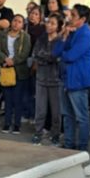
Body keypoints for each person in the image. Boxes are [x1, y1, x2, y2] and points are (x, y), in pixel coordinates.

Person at [52, 4, 90, 150]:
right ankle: (69, 143)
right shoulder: (73, 32)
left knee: (82, 116)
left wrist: (62, 57)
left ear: (83, 19)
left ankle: (82, 146)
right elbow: (56, 52)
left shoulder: (85, 34)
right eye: (70, 14)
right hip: (68, 79)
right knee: (67, 115)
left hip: (78, 80)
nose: (70, 18)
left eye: (73, 15)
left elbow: (71, 56)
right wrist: (64, 37)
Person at [0, 14, 32, 134]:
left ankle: (17, 125)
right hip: (5, 69)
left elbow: (25, 53)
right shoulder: (2, 35)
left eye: (19, 22)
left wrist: (13, 61)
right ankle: (7, 123)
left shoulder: (25, 37)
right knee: (7, 99)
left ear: (22, 24)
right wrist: (5, 59)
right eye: (15, 20)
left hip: (19, 71)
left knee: (17, 99)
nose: (16, 23)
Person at [31, 13, 64, 145]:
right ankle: (38, 133)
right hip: (41, 78)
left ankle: (55, 134)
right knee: (40, 109)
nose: (48, 25)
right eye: (48, 22)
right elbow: (36, 55)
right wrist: (50, 58)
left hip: (56, 80)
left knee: (56, 111)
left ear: (58, 26)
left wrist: (48, 57)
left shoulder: (61, 41)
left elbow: (58, 58)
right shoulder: (41, 39)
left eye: (52, 23)